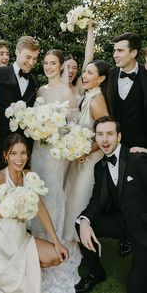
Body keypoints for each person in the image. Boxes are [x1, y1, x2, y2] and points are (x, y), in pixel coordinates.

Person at [0, 133, 68, 293]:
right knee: (4, 280)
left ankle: (18, 274)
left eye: (23, 152)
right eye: (13, 153)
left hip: (22, 240)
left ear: (28, 154)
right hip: (0, 246)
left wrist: (57, 242)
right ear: (5, 156)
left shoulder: (29, 176)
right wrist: (4, 213)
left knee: (56, 256)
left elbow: (41, 210)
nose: (19, 158)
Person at [75, 116, 147, 293]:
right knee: (80, 223)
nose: (105, 139)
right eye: (100, 134)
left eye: (109, 134)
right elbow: (97, 202)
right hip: (121, 224)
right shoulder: (100, 166)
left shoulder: (136, 159)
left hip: (142, 229)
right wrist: (84, 220)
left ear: (119, 136)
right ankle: (96, 272)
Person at [31, 50, 81, 293]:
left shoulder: (67, 92)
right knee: (36, 196)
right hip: (38, 151)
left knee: (53, 198)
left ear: (62, 66)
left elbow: (73, 128)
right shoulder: (40, 91)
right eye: (46, 63)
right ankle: (38, 247)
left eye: (53, 63)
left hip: (55, 156)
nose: (49, 67)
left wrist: (55, 131)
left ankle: (55, 243)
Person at [109, 32, 147, 256]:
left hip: (140, 148)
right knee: (117, 190)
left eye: (120, 50)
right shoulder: (111, 75)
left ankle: (136, 237)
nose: (115, 55)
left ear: (133, 53)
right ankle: (124, 235)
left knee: (138, 194)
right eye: (114, 50)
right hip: (114, 146)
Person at [64, 60, 110, 242]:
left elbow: (106, 137)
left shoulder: (97, 101)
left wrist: (86, 152)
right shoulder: (87, 95)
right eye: (84, 72)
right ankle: (70, 236)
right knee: (72, 194)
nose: (84, 76)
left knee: (80, 198)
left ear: (101, 79)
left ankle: (80, 240)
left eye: (90, 73)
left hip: (90, 160)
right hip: (80, 158)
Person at [0, 36, 40, 173]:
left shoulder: (35, 83)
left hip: (23, 149)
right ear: (17, 52)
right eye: (28, 57)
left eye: (35, 59)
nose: (31, 62)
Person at [64, 21, 95, 103]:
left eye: (74, 68)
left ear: (77, 71)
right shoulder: (52, 88)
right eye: (68, 67)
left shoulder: (78, 87)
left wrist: (90, 29)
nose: (71, 70)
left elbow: (89, 57)